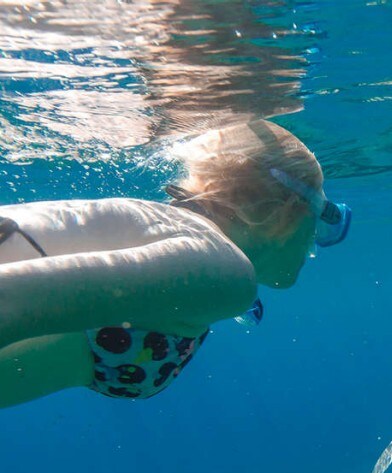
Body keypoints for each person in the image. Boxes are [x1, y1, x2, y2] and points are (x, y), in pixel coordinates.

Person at [0, 120, 350, 408]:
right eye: (319, 221)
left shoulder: (190, 243)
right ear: (288, 213)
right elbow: (8, 303)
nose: (314, 245)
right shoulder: (224, 271)